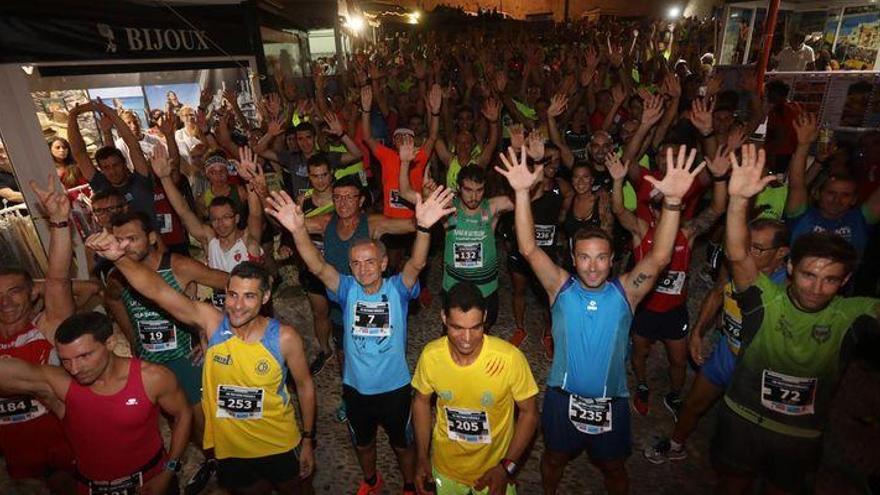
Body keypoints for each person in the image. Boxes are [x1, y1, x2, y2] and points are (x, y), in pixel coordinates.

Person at [496, 144, 706, 494]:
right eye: (585, 258)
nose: (593, 266)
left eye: (601, 258)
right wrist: (521, 193)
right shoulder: (559, 288)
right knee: (552, 460)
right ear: (574, 260)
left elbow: (659, 257)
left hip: (612, 402)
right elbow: (529, 248)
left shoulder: (626, 292)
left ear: (611, 261)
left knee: (613, 468)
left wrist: (671, 202)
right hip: (563, 399)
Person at [86, 233, 316, 495]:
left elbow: (305, 386)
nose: (237, 306)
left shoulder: (284, 337)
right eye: (232, 295)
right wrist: (121, 259)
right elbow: (159, 291)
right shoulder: (212, 322)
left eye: (249, 296)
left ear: (264, 298)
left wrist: (308, 439)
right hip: (231, 449)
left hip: (279, 443)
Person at [264, 184, 454, 495]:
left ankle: (408, 485)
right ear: (349, 267)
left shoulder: (397, 288)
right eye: (356, 263)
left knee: (402, 444)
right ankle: (370, 480)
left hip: (395, 388)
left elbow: (417, 263)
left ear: (382, 263)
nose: (363, 268)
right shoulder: (347, 288)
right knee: (363, 444)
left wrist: (422, 227)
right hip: (355, 389)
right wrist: (298, 230)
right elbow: (317, 265)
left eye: (370, 262)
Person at [713, 144, 880, 494]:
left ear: (845, 281)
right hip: (743, 419)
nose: (817, 288)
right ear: (789, 268)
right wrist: (740, 200)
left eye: (831, 279)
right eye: (808, 275)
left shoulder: (853, 314)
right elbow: (738, 254)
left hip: (799, 435)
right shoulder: (765, 298)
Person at [100, 210, 228, 493]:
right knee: (177, 423)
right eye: (118, 241)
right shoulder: (117, 275)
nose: (123, 248)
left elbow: (233, 285)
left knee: (204, 425)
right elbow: (112, 299)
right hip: (153, 365)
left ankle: (227, 471)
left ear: (152, 238)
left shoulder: (178, 266)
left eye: (131, 239)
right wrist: (132, 337)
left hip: (187, 360)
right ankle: (213, 464)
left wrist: (211, 332)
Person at [644, 217, 790, 463]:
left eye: (757, 247)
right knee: (692, 404)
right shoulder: (735, 263)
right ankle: (675, 445)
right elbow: (717, 293)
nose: (745, 252)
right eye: (745, 244)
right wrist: (698, 332)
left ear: (781, 253)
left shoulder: (790, 289)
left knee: (744, 431)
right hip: (726, 353)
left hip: (757, 369)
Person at [0, 311, 192, 495]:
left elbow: (183, 414)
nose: (74, 369)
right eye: (65, 360)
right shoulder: (59, 383)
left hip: (152, 480)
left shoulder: (152, 377)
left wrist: (169, 471)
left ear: (110, 342)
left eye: (84, 356)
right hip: (91, 487)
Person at [609, 148, 729, 418]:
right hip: (645, 310)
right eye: (658, 207)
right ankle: (641, 385)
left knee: (678, 360)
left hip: (675, 311)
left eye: (669, 206)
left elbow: (717, 209)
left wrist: (720, 178)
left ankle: (675, 395)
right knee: (640, 353)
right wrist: (618, 180)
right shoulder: (642, 230)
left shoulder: (687, 233)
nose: (663, 212)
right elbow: (618, 210)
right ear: (652, 210)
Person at [411, 282, 540, 495]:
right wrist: (422, 458)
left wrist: (506, 468)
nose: (467, 339)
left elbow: (530, 413)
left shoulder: (509, 359)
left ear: (485, 317)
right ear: (444, 318)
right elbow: (421, 402)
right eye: (457, 328)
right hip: (445, 470)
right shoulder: (431, 356)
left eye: (476, 327)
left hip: (495, 472)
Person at [0, 176, 76, 494]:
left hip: (64, 443)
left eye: (15, 292)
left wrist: (59, 223)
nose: (5, 302)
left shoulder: (45, 327)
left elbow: (58, 280)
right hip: (16, 457)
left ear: (33, 294)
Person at [398, 152, 513, 330]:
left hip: (486, 288)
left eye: (479, 190)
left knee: (483, 331)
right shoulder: (448, 208)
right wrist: (405, 162)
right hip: (454, 287)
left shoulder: (492, 207)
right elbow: (405, 193)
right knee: (453, 331)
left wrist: (527, 174)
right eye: (468, 190)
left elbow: (527, 200)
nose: (474, 197)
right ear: (459, 188)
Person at [150, 145, 264, 308]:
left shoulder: (248, 239)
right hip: (222, 315)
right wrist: (164, 178)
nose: (220, 224)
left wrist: (250, 180)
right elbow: (183, 211)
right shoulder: (209, 241)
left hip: (252, 314)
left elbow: (255, 214)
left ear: (237, 218)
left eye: (226, 217)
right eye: (215, 219)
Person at [785, 111, 880, 257]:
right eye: (831, 193)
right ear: (819, 194)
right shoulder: (802, 217)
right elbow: (796, 184)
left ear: (854, 199)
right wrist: (803, 144)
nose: (837, 200)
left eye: (845, 195)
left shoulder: (859, 220)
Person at [68, 100, 156, 222]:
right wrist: (72, 115)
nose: (113, 171)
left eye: (116, 165)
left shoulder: (140, 179)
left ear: (124, 164)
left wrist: (108, 111)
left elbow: (133, 145)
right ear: (101, 170)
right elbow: (79, 154)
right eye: (106, 168)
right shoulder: (101, 185)